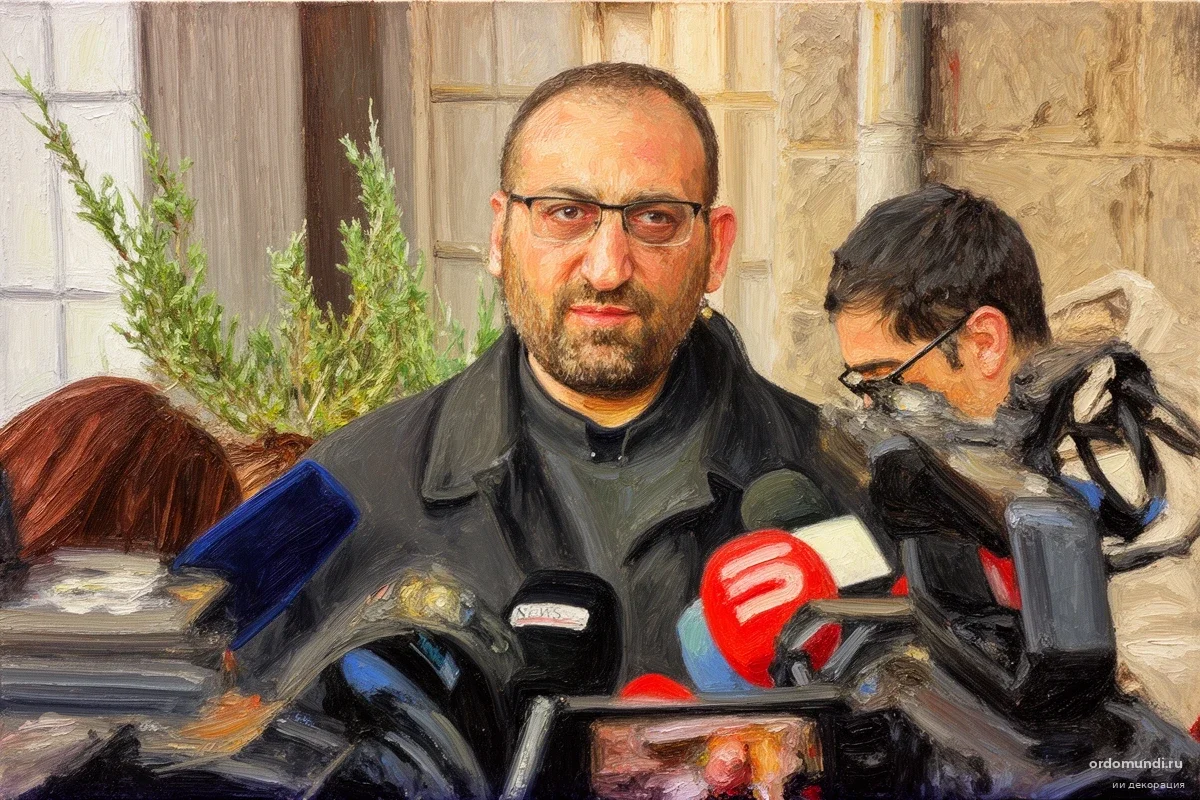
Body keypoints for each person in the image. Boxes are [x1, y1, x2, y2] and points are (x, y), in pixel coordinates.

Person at [239, 62, 865, 689]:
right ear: (499, 236)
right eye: (566, 212)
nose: (607, 268)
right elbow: (227, 713)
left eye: (655, 219)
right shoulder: (338, 490)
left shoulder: (841, 481)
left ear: (716, 249)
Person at [824, 182, 1200, 733]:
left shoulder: (1132, 475)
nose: (871, 407)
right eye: (860, 384)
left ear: (985, 343)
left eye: (886, 379)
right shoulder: (997, 439)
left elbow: (1153, 709)